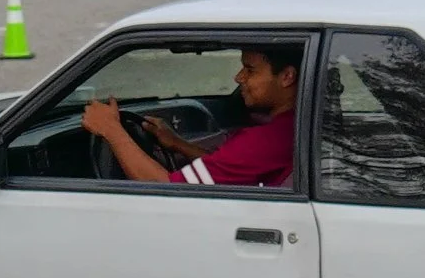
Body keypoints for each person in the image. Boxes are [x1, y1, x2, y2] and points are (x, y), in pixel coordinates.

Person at [79, 45, 300, 187]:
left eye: (250, 70)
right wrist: (178, 145)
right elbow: (226, 169)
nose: (238, 77)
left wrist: (111, 130)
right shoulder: (291, 129)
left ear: (287, 76)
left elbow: (166, 188)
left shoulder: (264, 142)